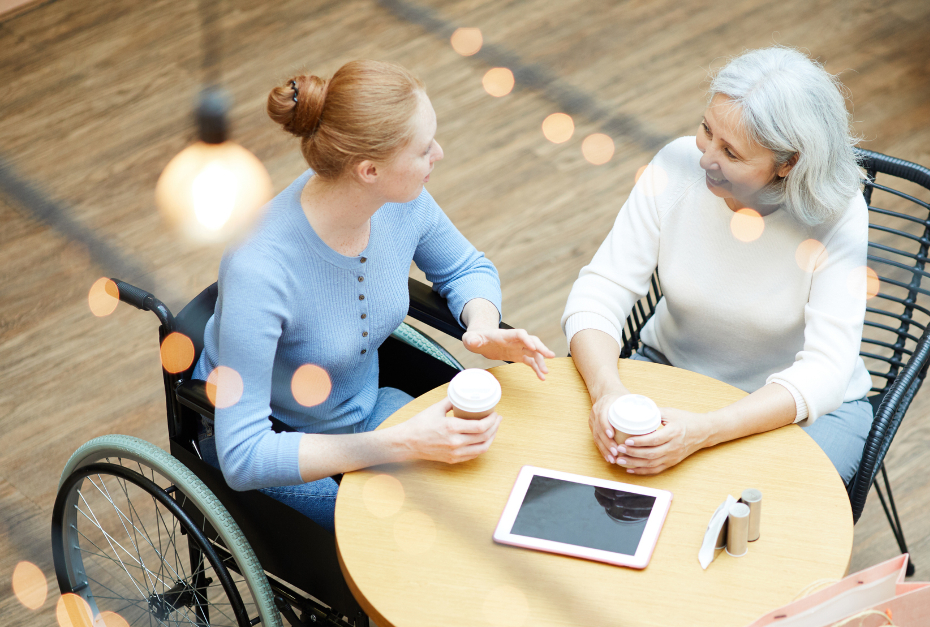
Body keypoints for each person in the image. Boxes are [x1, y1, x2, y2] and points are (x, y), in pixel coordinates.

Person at [193, 60, 555, 531]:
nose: (439, 154)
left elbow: (467, 267)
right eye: (424, 149)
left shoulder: (400, 203)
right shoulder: (259, 269)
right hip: (283, 443)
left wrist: (482, 327)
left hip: (367, 413)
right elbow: (245, 456)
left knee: (484, 489)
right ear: (369, 169)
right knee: (407, 533)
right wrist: (403, 443)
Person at [562, 46, 872, 483]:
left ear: (788, 163)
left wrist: (705, 431)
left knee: (759, 516)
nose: (706, 158)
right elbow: (600, 291)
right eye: (706, 131)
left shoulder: (838, 215)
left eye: (732, 152)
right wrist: (606, 392)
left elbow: (825, 372)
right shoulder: (676, 166)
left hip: (800, 408)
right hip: (671, 369)